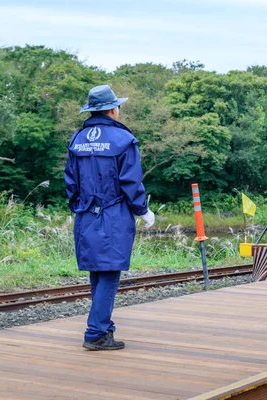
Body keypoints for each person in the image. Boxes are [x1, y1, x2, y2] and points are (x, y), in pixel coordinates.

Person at [64, 84, 155, 350]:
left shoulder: (77, 139)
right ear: (113, 110)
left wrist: (80, 205)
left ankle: (103, 328)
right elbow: (130, 181)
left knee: (97, 271)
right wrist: (143, 210)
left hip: (86, 214)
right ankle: (96, 332)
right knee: (110, 273)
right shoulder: (123, 140)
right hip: (114, 213)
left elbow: (70, 182)